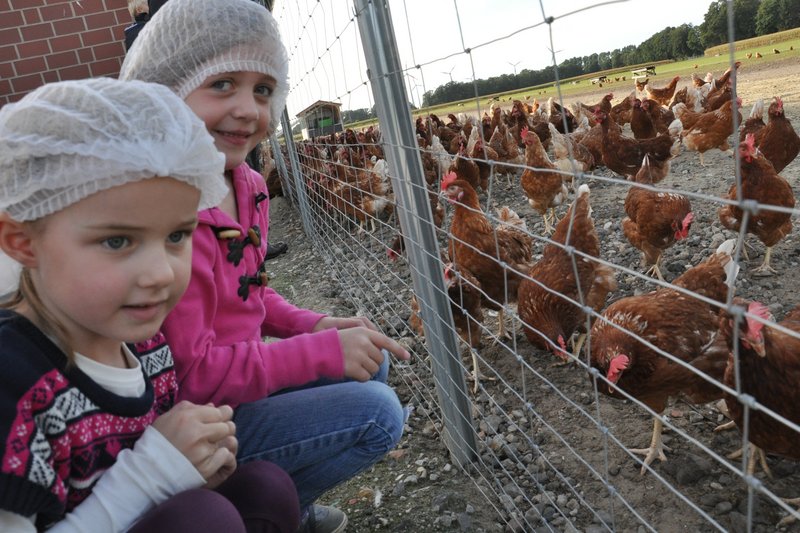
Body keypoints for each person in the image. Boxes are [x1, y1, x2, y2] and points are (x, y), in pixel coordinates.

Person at [119, 0, 411, 530]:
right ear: (169, 91)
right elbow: (195, 376)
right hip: (202, 414)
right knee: (380, 414)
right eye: (222, 84)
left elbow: (250, 291)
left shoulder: (248, 186)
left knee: (374, 363)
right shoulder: (168, 218)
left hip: (239, 377)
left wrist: (314, 325)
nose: (249, 109)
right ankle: (265, 511)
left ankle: (282, 501)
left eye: (263, 89)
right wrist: (320, 352)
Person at [0, 78, 300, 533]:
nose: (161, 272)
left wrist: (193, 463)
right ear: (22, 242)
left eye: (177, 235)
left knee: (264, 490)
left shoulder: (146, 347)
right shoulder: (13, 385)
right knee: (205, 520)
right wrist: (156, 473)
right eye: (118, 240)